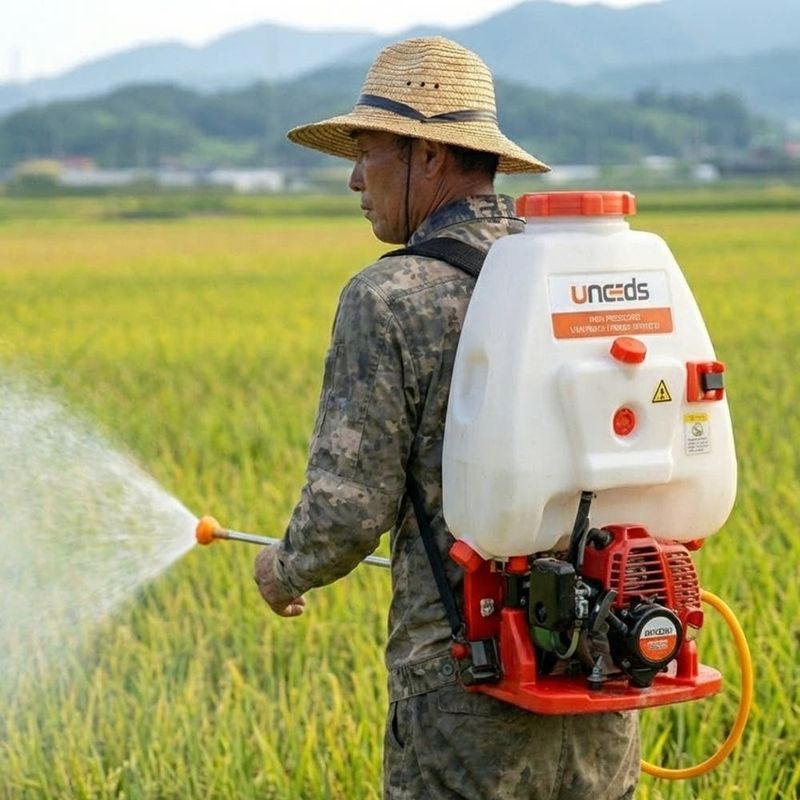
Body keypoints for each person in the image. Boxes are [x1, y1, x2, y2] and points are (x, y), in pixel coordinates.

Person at [253, 36, 639, 799]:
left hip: (466, 682)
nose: (355, 179)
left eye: (369, 153)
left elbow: (346, 510)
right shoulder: (572, 276)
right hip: (603, 666)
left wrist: (283, 567)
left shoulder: (390, 298)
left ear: (429, 156)